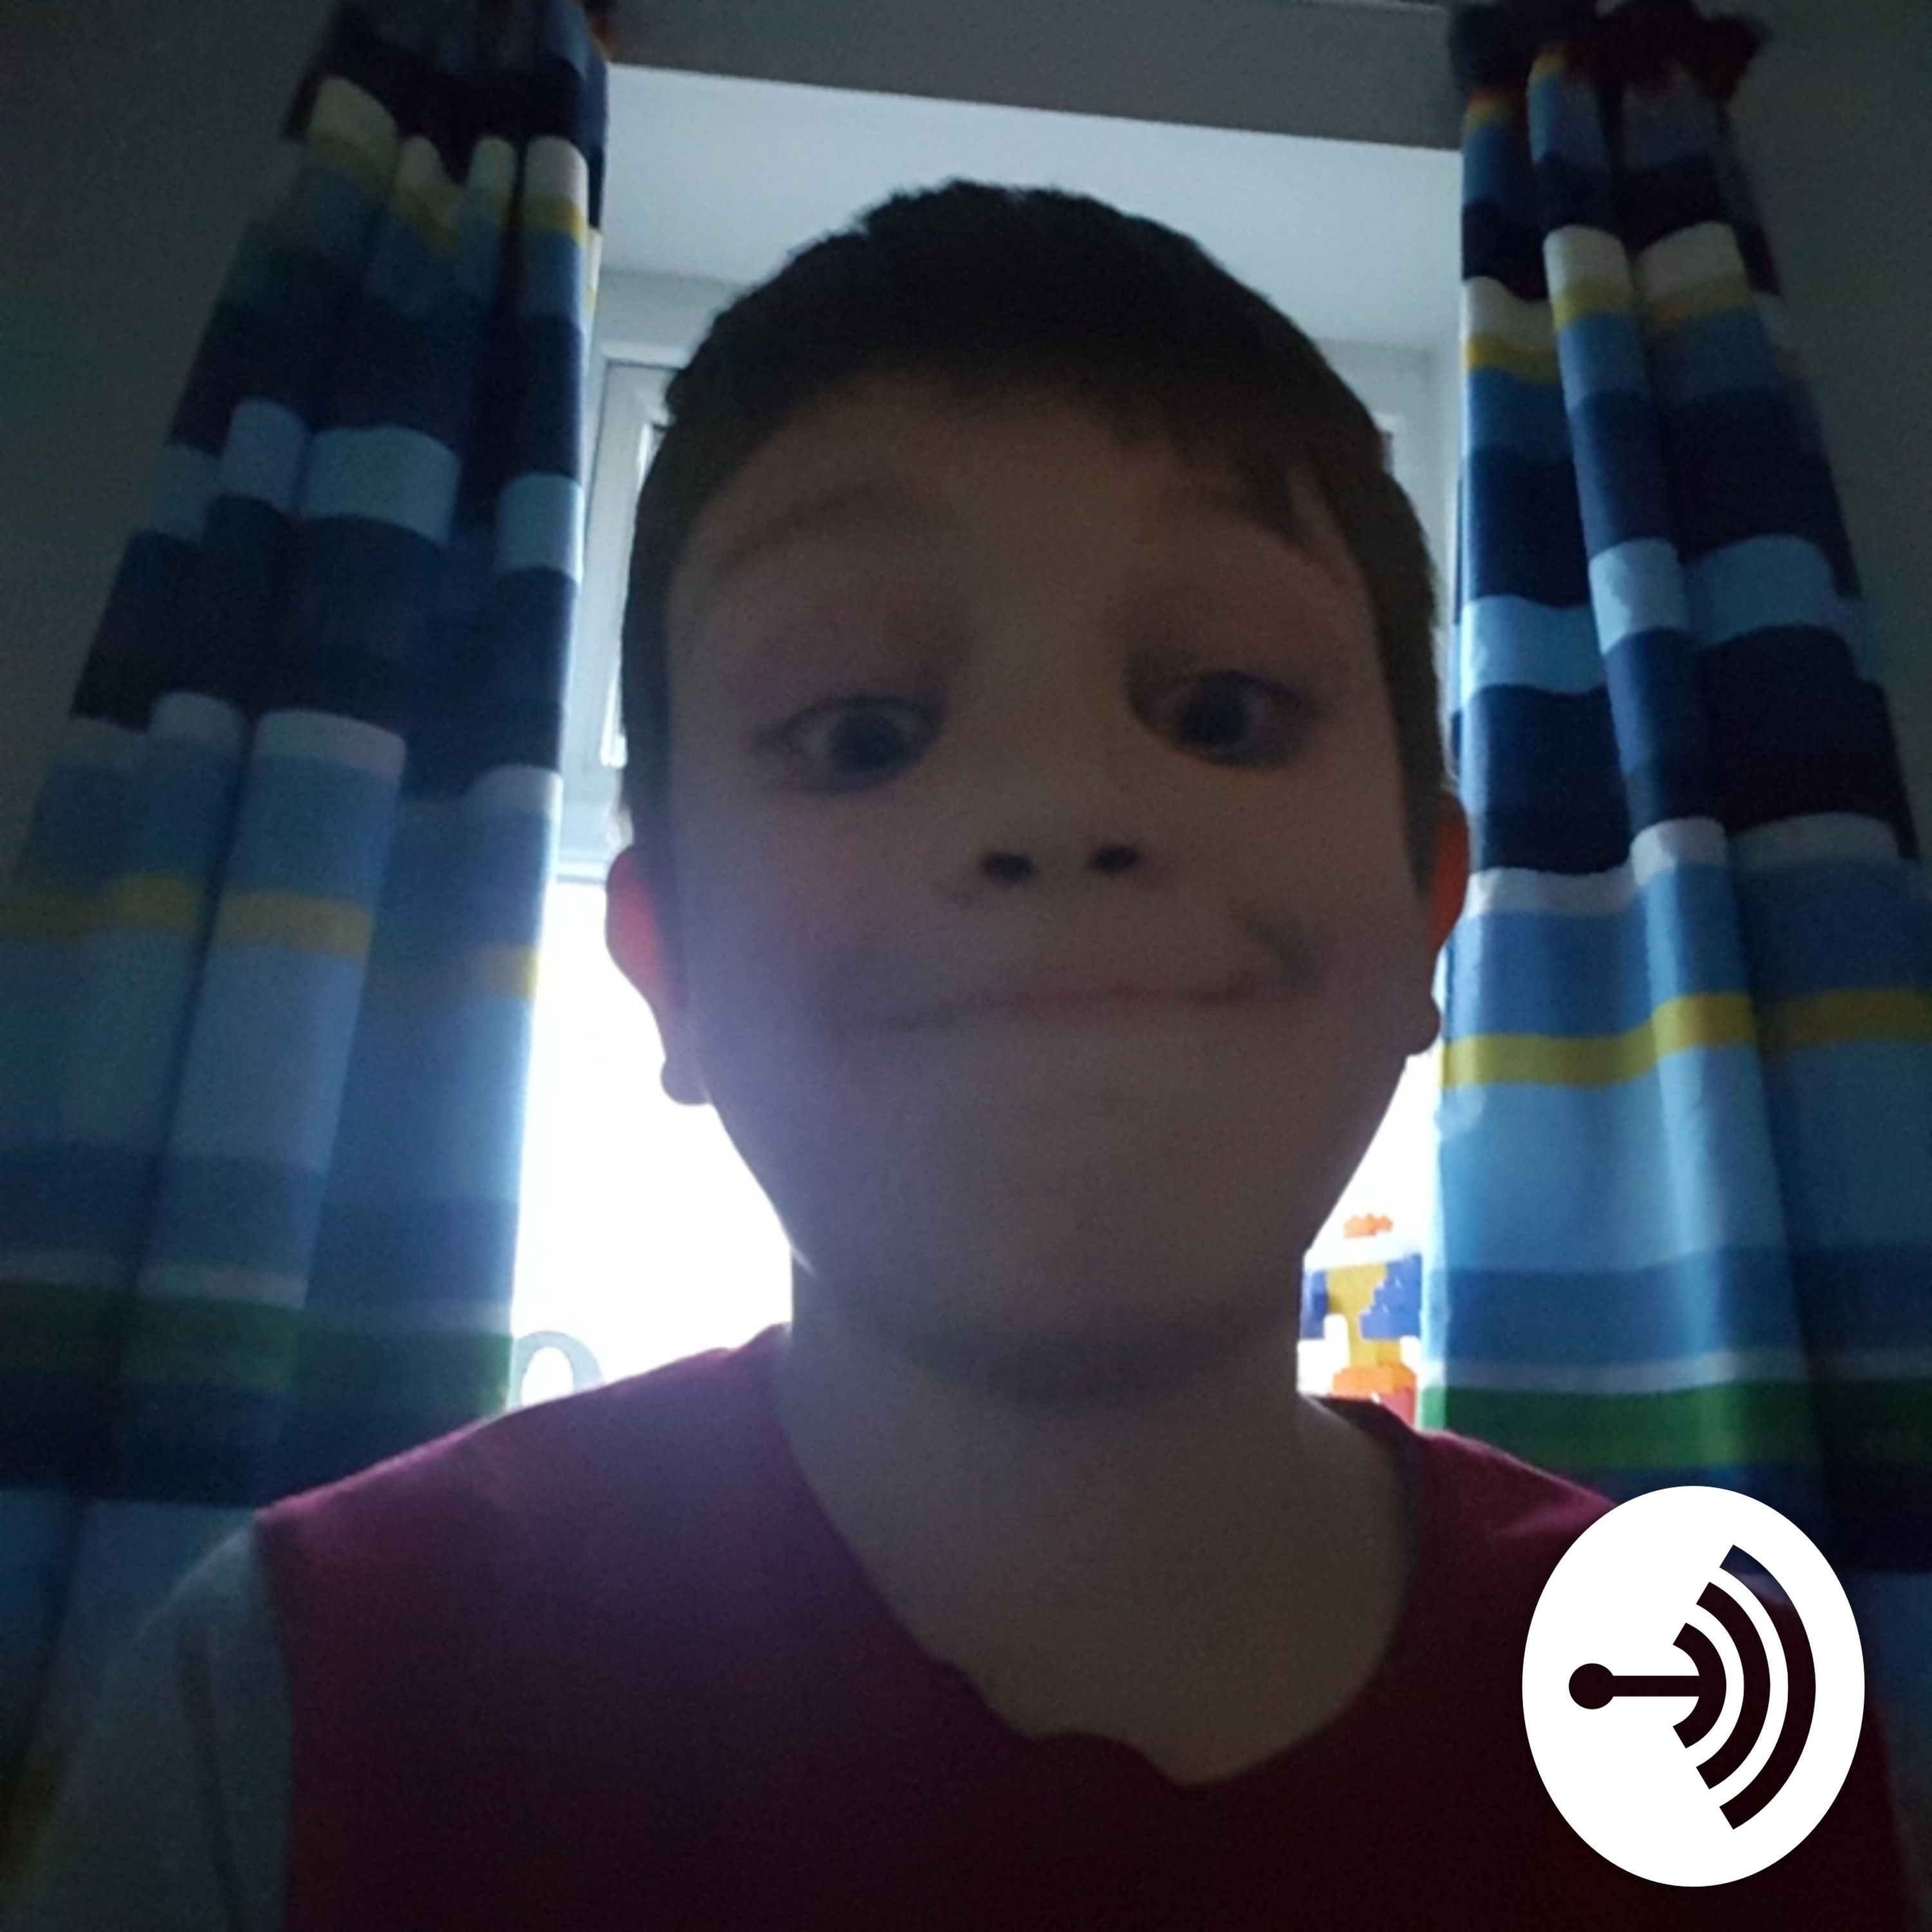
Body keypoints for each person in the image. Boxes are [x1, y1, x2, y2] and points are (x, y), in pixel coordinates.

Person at [5, 182, 1919, 1931]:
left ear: (1432, 915)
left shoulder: (1706, 1712)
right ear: (667, 968)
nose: (1060, 804)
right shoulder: (299, 1701)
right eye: (861, 735)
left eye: (1222, 711)